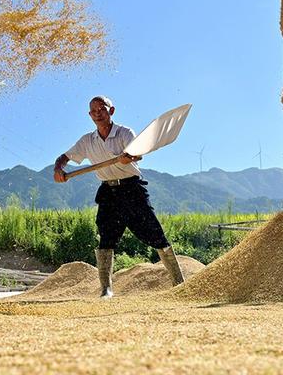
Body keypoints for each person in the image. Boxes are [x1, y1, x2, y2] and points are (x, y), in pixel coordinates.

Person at [53, 95, 185, 298]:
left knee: (155, 233)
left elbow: (137, 153)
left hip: (132, 189)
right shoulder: (87, 141)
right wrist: (59, 168)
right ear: (90, 115)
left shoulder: (124, 133)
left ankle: (179, 282)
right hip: (108, 192)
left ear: (111, 111)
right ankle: (106, 289)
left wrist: (129, 157)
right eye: (93, 111)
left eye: (102, 109)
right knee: (106, 238)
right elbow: (64, 157)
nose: (98, 114)